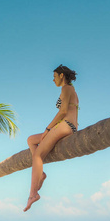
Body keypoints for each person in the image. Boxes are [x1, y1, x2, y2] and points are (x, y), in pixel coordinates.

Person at [24, 65, 79, 212]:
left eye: (54, 76)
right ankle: (40, 174)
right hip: (68, 125)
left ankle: (32, 194)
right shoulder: (70, 89)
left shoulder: (66, 88)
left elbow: (63, 111)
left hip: (65, 125)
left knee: (38, 156)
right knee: (31, 140)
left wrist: (48, 128)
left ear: (61, 75)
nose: (53, 79)